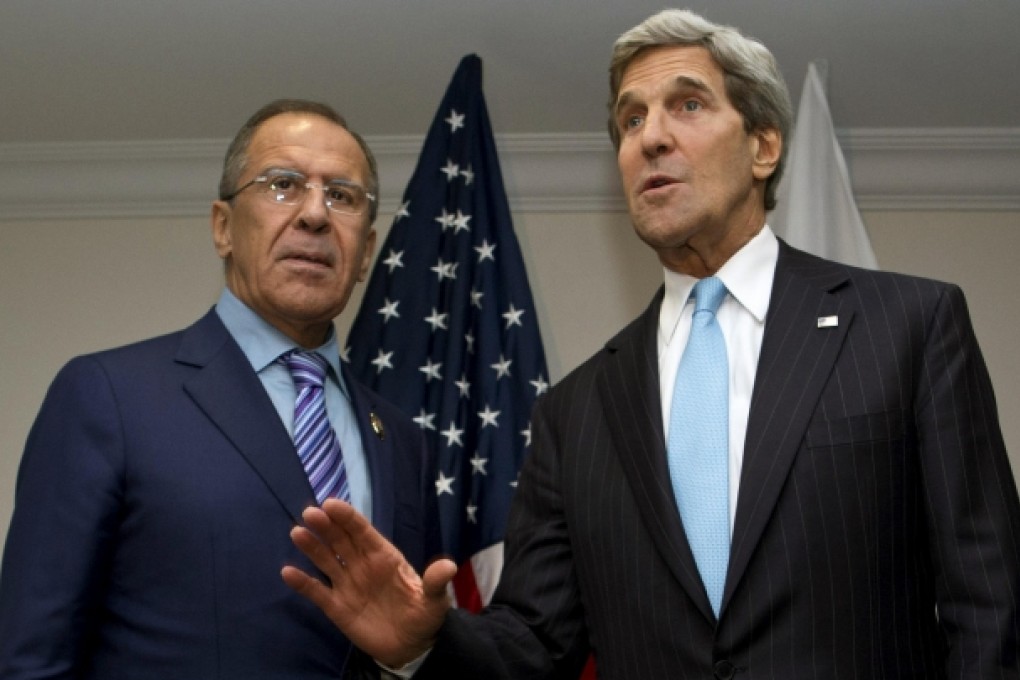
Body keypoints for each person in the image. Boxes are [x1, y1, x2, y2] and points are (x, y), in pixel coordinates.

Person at [283, 10, 1020, 679]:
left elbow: (989, 605)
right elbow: (535, 644)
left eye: (687, 105)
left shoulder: (908, 326)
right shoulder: (576, 414)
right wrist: (423, 641)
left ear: (764, 146)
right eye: (630, 121)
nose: (650, 136)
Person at [0, 99, 441, 679]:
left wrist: (411, 656)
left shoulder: (402, 439)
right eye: (283, 184)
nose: (315, 214)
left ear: (365, 253)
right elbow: (30, 656)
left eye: (342, 195)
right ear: (223, 227)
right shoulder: (108, 395)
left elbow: (410, 636)